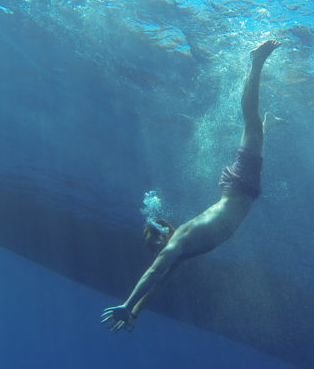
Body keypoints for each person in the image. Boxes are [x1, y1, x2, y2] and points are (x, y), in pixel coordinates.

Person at [101, 39, 281, 332]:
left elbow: (152, 273)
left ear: (162, 236)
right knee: (256, 138)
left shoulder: (179, 242)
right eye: (154, 247)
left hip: (237, 188)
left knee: (250, 125)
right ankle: (268, 125)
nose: (157, 251)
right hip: (247, 192)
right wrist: (134, 311)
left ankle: (256, 60)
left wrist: (125, 301)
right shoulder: (181, 252)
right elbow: (157, 283)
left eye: (155, 245)